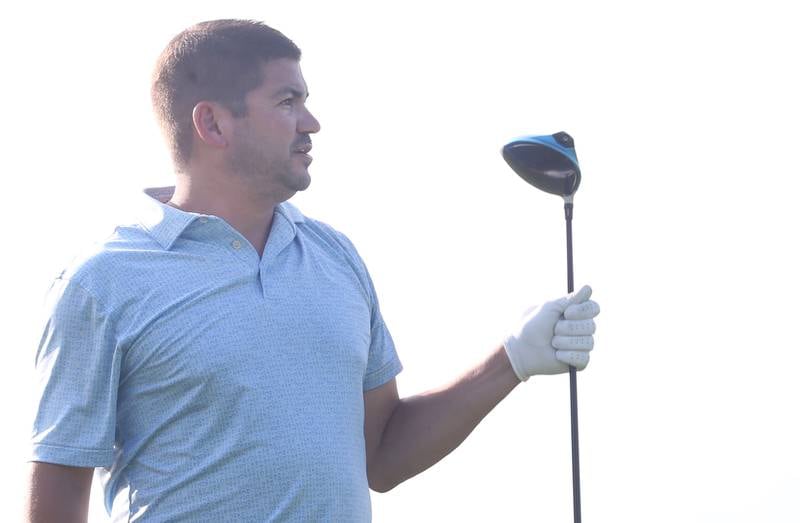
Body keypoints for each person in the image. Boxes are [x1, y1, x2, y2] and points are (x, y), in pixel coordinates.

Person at [25, 19, 600, 522]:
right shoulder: (102, 283)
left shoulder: (335, 258)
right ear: (213, 124)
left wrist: (512, 360)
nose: (312, 122)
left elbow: (382, 453)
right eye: (286, 101)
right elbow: (54, 500)